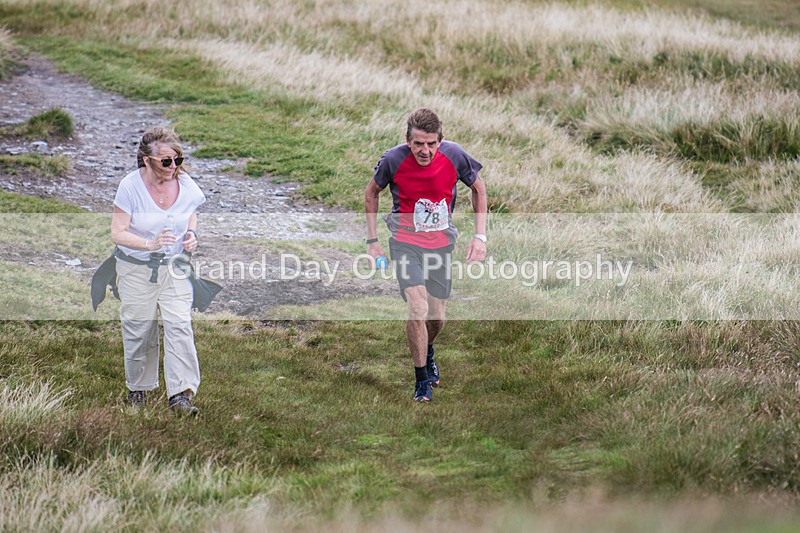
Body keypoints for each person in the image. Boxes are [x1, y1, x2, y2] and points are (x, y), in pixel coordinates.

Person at [365, 108, 487, 402]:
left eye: (431, 143)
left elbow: (479, 189)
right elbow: (371, 193)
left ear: (440, 140)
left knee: (437, 317)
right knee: (417, 307)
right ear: (408, 140)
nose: (425, 150)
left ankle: (427, 348)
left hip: (441, 245)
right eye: (418, 143)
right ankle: (421, 381)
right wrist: (373, 241)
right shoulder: (393, 159)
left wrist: (479, 236)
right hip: (405, 243)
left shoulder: (455, 155)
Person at [109, 125, 206, 415]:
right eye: (166, 161)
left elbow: (191, 213)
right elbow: (117, 232)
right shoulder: (130, 186)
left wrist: (192, 235)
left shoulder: (185, 182)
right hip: (136, 267)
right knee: (140, 329)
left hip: (174, 266)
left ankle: (181, 396)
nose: (173, 166)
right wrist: (150, 244)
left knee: (179, 326)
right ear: (147, 160)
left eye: (177, 159)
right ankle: (139, 389)